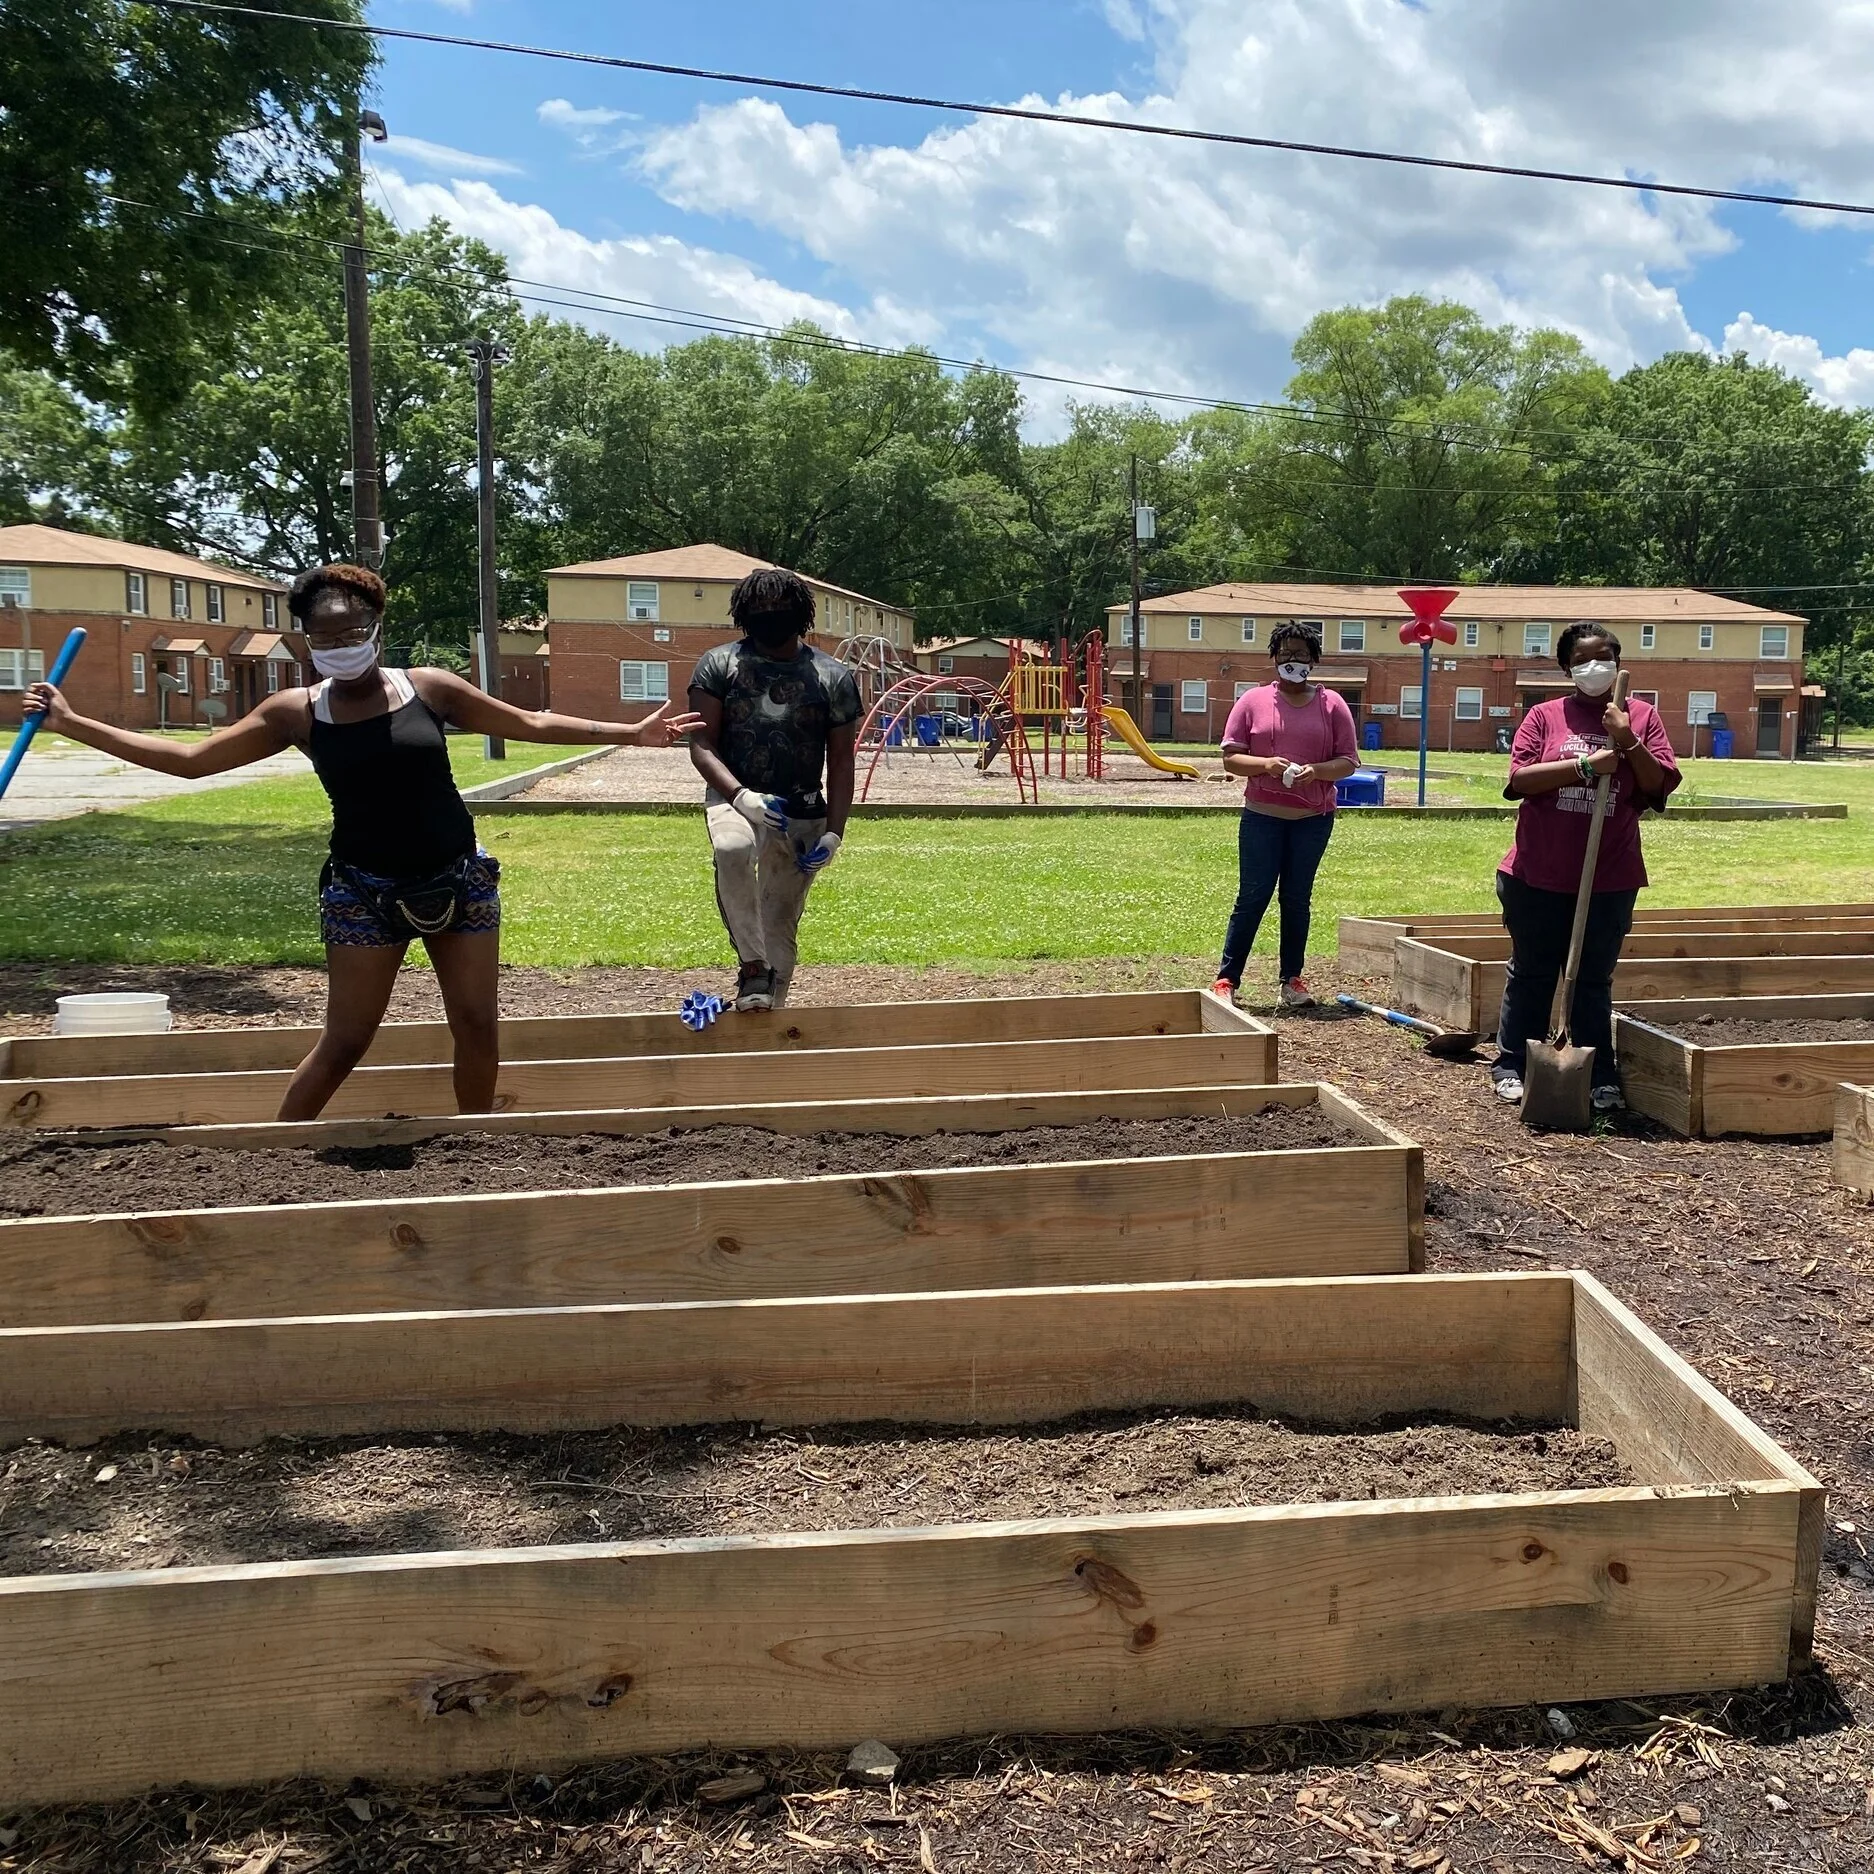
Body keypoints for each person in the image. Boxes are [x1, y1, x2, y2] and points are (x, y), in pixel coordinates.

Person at [24, 562, 701, 1120]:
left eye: (352, 629)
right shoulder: (295, 711)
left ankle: (477, 1140)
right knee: (347, 1038)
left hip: (455, 879)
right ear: (307, 642)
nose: (341, 642)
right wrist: (72, 722)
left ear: (377, 628)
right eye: (325, 635)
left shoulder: (428, 689)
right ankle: (282, 1148)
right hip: (362, 891)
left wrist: (627, 734)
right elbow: (191, 760)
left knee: (477, 1023)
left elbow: (529, 719)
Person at [1493, 622, 1680, 1110]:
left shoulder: (1640, 716)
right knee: (1532, 973)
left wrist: (1627, 741)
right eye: (1583, 659)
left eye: (1606, 656)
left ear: (1619, 662)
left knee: (1592, 979)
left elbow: (1659, 786)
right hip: (1537, 872)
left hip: (1609, 876)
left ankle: (1600, 1073)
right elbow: (1519, 781)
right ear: (1567, 668)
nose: (1596, 666)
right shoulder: (1544, 715)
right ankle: (1513, 1063)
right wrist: (1585, 766)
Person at [686, 567, 860, 1011]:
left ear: (800, 614)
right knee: (731, 849)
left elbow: (841, 761)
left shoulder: (831, 677)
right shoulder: (719, 665)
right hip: (735, 797)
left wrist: (834, 832)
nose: (769, 617)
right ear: (743, 615)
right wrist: (742, 796)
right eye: (759, 610)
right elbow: (701, 744)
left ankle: (770, 1014)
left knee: (779, 923)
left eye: (778, 610)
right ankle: (751, 967)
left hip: (801, 810)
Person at [1210, 621, 1360, 1008]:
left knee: (1296, 899)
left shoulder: (1333, 704)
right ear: (1274, 657)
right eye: (1286, 653)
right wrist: (1265, 765)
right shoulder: (1252, 701)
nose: (1294, 660)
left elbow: (1347, 762)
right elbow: (1231, 758)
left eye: (1302, 654)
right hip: (1262, 817)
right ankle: (1227, 980)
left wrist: (1316, 771)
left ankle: (1292, 980)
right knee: (1253, 896)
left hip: (1313, 819)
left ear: (1314, 660)